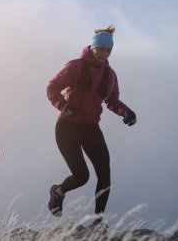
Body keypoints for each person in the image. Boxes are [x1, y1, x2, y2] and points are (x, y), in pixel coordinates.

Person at [46, 26, 137, 231]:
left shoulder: (110, 75)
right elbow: (52, 87)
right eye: (102, 49)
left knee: (104, 172)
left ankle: (98, 222)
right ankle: (58, 192)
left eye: (108, 50)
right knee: (82, 176)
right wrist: (63, 105)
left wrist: (126, 112)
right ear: (94, 47)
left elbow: (112, 101)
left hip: (90, 128)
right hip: (66, 128)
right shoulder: (76, 66)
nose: (105, 54)